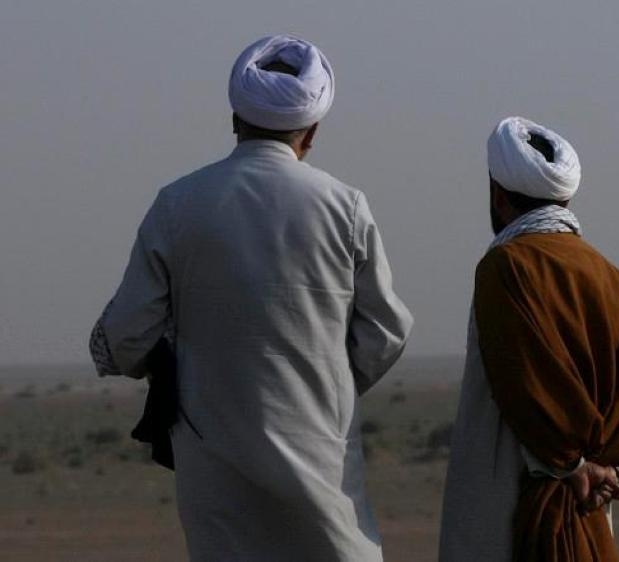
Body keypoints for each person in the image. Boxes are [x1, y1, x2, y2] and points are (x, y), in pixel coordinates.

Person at [88, 35, 412, 562]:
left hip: (213, 466)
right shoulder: (345, 207)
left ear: (235, 118)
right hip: (321, 455)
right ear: (312, 131)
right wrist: (324, 381)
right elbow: (386, 331)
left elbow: (124, 338)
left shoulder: (178, 205)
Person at [439, 116, 619, 561]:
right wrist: (607, 469)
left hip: (508, 492)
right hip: (589, 501)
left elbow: (525, 379)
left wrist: (571, 465)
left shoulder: (506, 267)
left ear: (498, 198)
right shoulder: (608, 275)